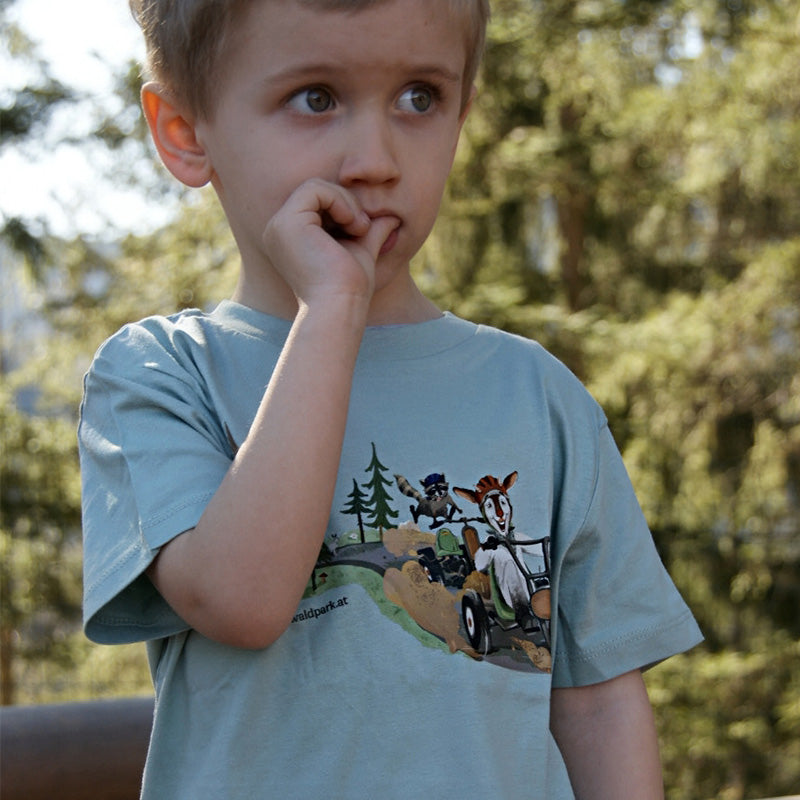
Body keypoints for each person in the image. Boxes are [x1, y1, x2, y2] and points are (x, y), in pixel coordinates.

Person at [78, 1, 703, 797]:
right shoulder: (162, 375)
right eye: (315, 97)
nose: (375, 160)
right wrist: (332, 310)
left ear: (461, 115)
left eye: (419, 97)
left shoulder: (540, 397)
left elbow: (599, 704)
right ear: (184, 132)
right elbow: (241, 600)